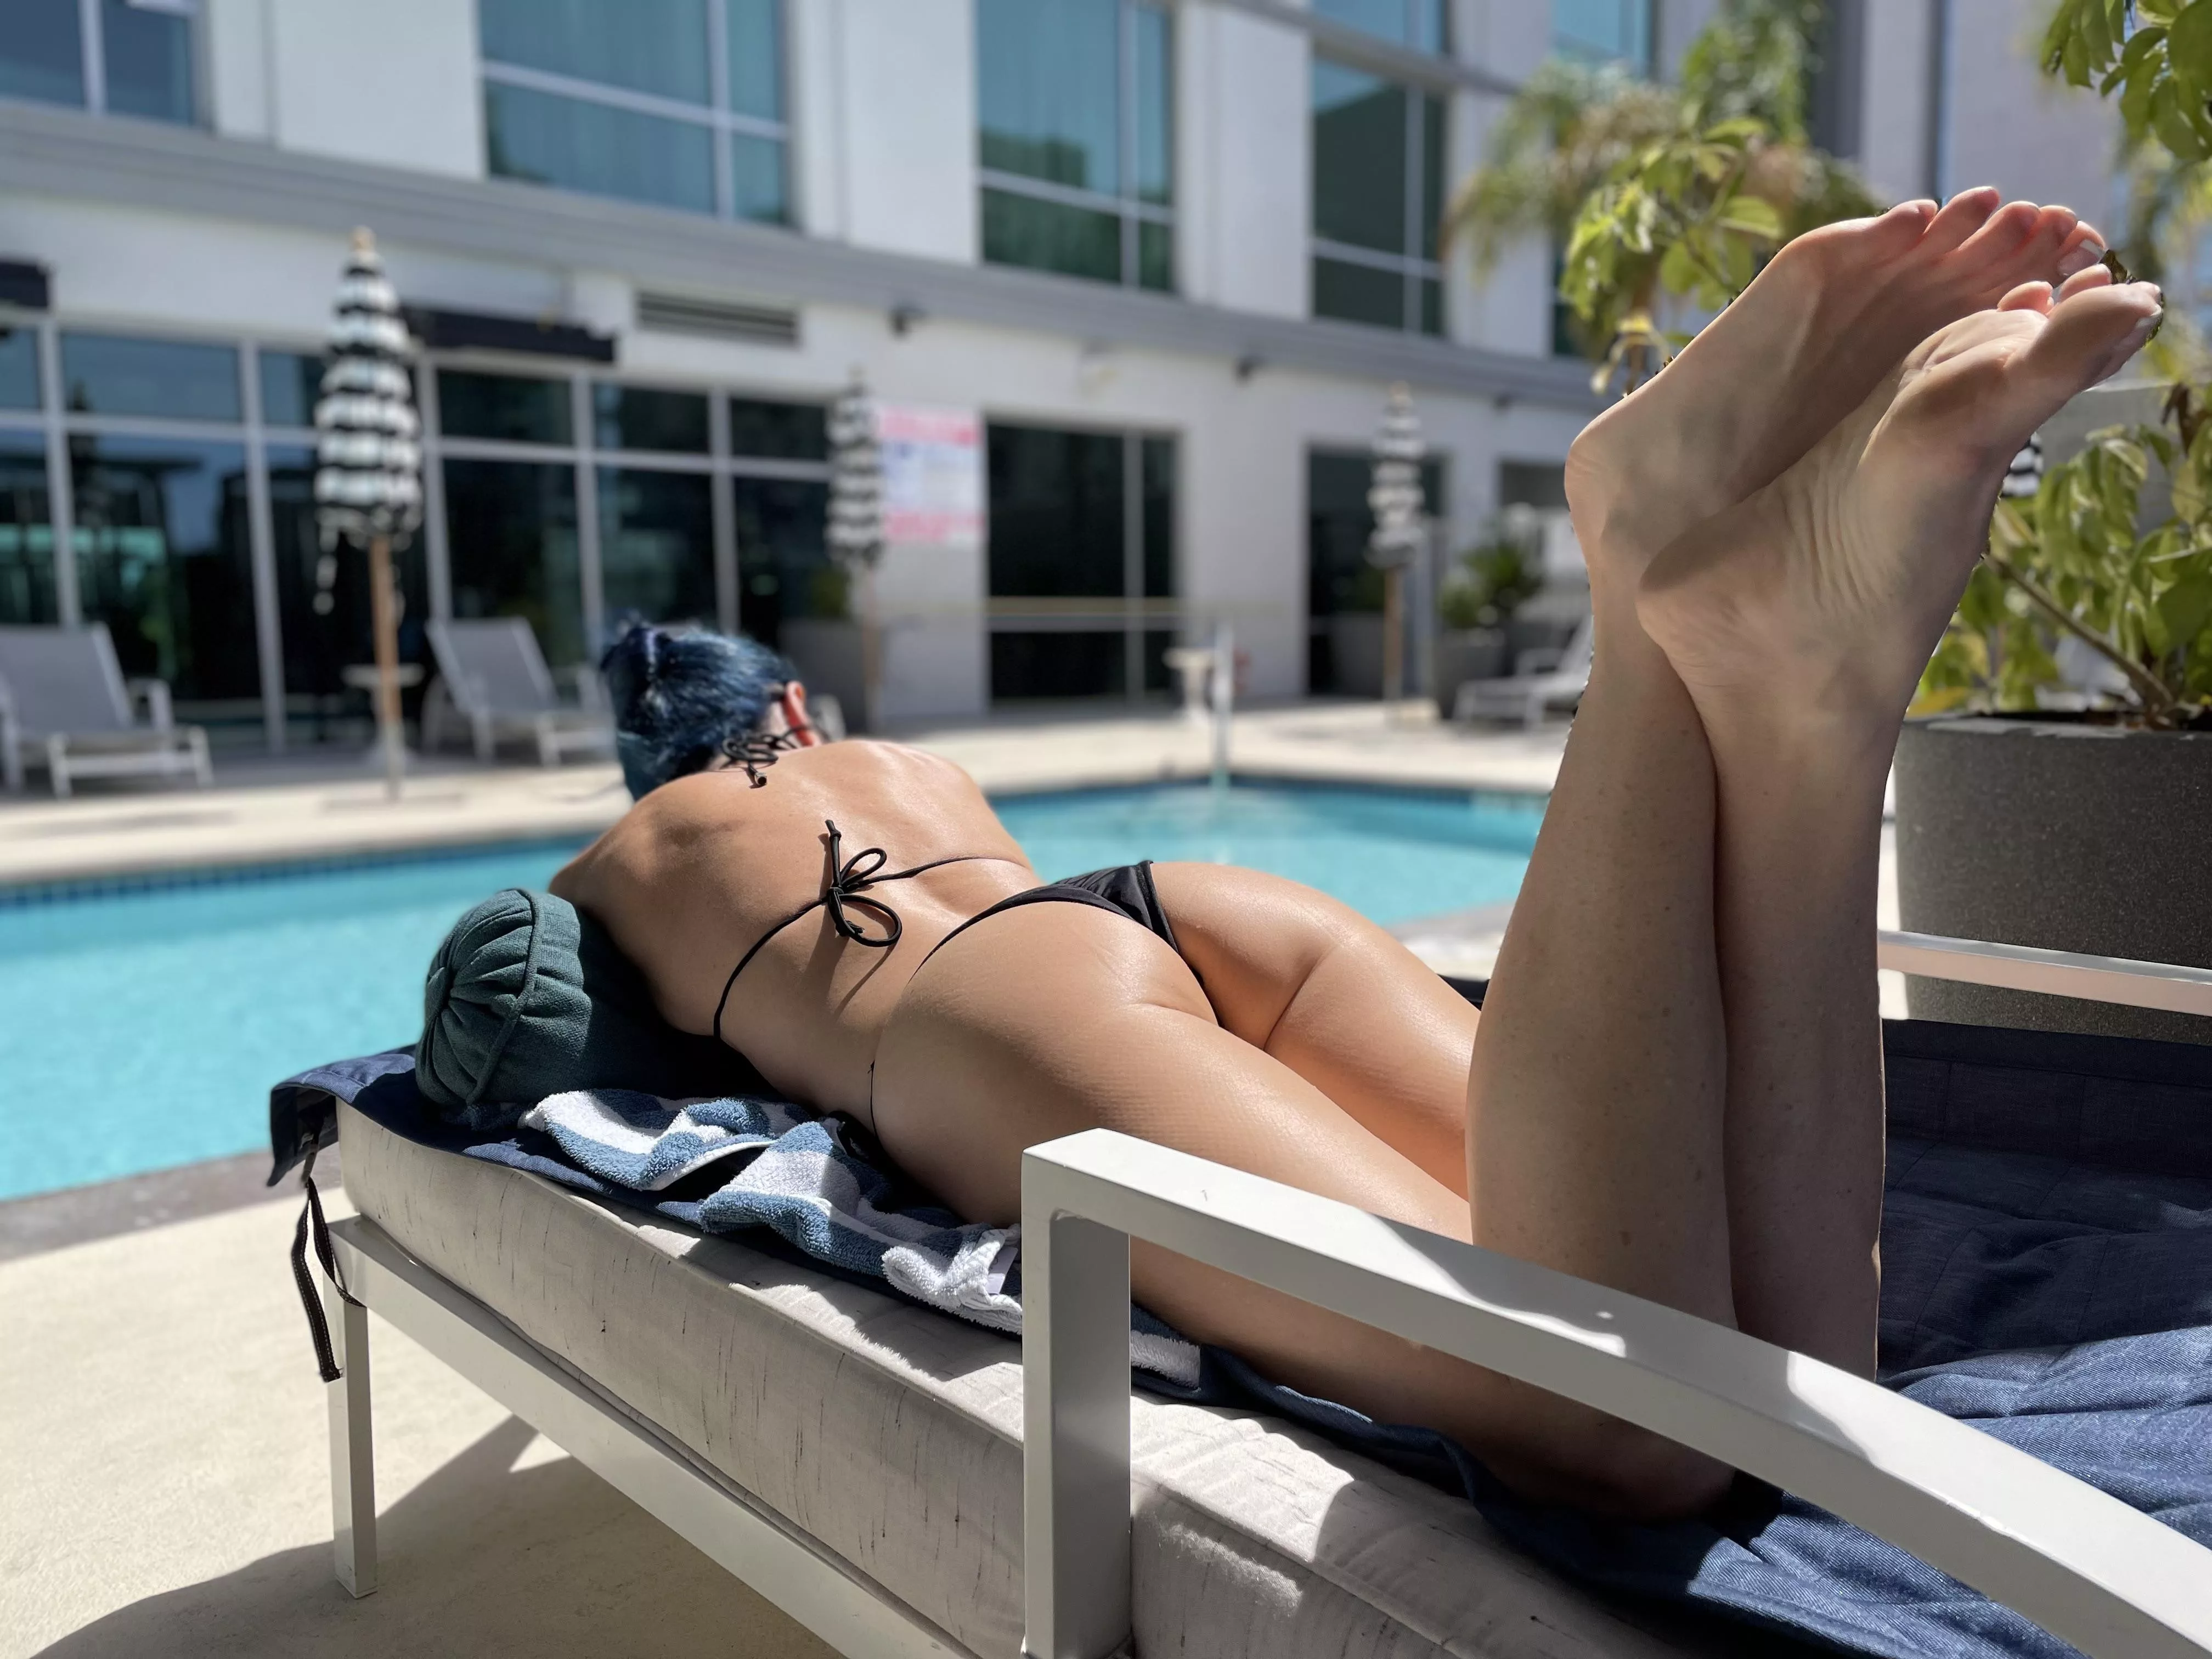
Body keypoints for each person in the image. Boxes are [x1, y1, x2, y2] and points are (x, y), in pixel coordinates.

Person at [552, 188, 2157, 1519]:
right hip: (1179, 911)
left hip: (989, 1006)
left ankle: (1648, 610)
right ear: (786, 705)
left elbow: (524, 1019)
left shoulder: (637, 843)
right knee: (1783, 1354)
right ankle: (1801, 713)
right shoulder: (909, 763)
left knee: (1622, 1414)